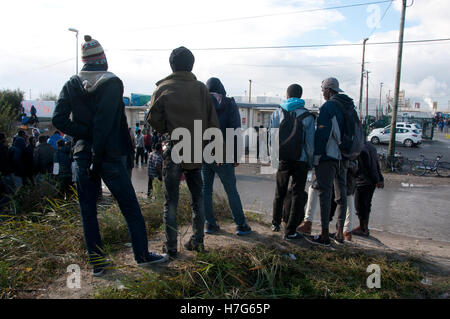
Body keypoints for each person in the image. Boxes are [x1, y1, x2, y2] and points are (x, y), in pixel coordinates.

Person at [52, 34, 168, 276]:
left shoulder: (71, 83)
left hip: (82, 155)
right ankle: (143, 256)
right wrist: (98, 145)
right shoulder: (112, 83)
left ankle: (99, 265)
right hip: (109, 156)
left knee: (88, 211)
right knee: (129, 207)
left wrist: (84, 134)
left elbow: (58, 119)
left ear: (84, 61)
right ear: (103, 58)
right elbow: (104, 124)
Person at [146, 46, 220, 258]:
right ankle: (198, 241)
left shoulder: (163, 88)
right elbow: (213, 122)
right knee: (198, 198)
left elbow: (152, 119)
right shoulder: (201, 89)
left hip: (174, 147)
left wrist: (167, 129)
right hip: (196, 148)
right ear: (191, 65)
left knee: (171, 200)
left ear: (172, 65)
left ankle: (170, 247)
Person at [305, 77, 356, 247]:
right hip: (344, 157)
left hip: (328, 156)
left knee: (325, 193)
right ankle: (340, 233)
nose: (323, 93)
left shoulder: (328, 107)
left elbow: (323, 134)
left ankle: (325, 234)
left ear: (328, 90)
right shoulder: (348, 106)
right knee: (341, 194)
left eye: (323, 90)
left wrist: (316, 157)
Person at [202, 77, 252, 236]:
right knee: (231, 190)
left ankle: (209, 224)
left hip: (203, 153)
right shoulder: (229, 104)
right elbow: (235, 131)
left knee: (205, 190)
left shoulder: (201, 103)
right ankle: (241, 225)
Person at [268, 84, 315, 240]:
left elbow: (271, 138)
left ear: (287, 95)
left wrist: (274, 158)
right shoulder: (307, 116)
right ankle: (290, 231)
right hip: (300, 160)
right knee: (297, 194)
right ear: (300, 96)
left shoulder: (277, 113)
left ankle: (275, 223)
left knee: (279, 191)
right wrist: (310, 161)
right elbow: (309, 143)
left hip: (283, 159)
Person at [352, 141, 384, 236]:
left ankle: (363, 228)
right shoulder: (371, 147)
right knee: (366, 205)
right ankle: (364, 227)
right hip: (371, 182)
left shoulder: (361, 149)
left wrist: (376, 179)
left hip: (363, 181)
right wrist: (379, 179)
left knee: (360, 205)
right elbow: (376, 165)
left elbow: (368, 167)